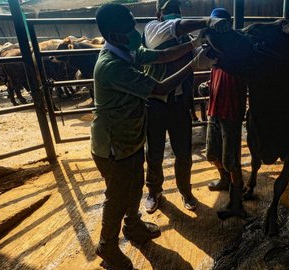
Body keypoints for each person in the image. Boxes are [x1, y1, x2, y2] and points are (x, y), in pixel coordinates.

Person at [92, 4, 214, 269]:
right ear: (115, 35)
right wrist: (194, 61)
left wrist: (193, 43)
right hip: (113, 145)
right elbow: (159, 88)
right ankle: (107, 246)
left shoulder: (125, 50)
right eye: (130, 27)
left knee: (135, 185)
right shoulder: (112, 66)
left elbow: (160, 56)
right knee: (117, 197)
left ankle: (133, 227)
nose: (136, 32)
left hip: (130, 138)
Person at [142, 0, 231, 214]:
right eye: (169, 10)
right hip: (154, 102)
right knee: (153, 152)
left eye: (177, 10)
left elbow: (199, 64)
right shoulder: (152, 29)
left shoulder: (188, 39)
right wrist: (207, 21)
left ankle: (185, 190)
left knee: (183, 153)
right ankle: (154, 191)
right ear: (159, 14)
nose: (174, 14)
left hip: (178, 104)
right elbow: (176, 27)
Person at [201, 8, 248, 219]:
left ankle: (236, 203)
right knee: (212, 153)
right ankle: (224, 179)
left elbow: (233, 68)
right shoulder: (217, 50)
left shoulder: (237, 49)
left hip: (230, 112)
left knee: (231, 160)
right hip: (215, 109)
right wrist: (208, 85)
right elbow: (216, 72)